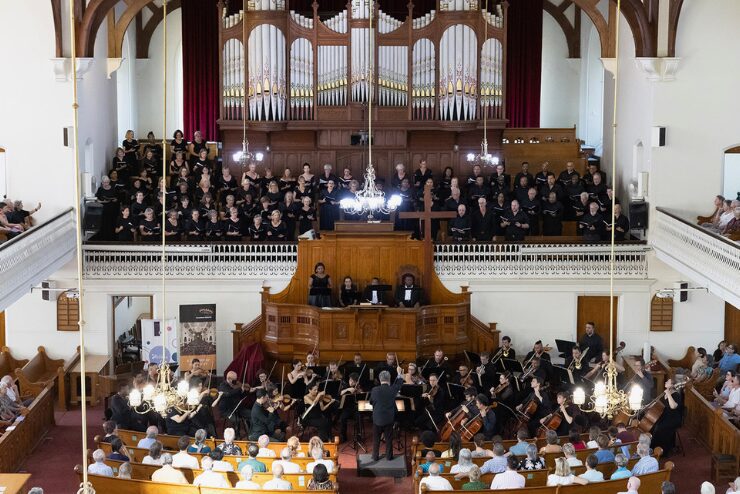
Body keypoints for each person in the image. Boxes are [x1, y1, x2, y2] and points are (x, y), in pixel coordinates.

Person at [369, 367, 404, 461]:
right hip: (389, 419)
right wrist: (399, 373)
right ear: (389, 379)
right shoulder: (392, 389)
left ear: (380, 379)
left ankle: (375, 456)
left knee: (376, 439)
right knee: (388, 439)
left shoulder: (374, 390)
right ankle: (389, 456)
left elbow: (371, 402)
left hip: (377, 418)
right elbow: (399, 383)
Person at [650, 378, 684, 455]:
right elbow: (660, 404)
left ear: (672, 385)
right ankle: (653, 448)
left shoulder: (676, 395)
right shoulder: (665, 393)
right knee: (653, 426)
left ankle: (662, 451)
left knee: (660, 428)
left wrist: (668, 394)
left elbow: (673, 406)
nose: (665, 382)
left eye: (668, 381)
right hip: (666, 415)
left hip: (673, 418)